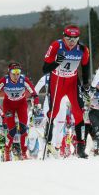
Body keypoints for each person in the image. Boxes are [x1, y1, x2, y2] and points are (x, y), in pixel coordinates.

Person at [42, 25, 90, 158]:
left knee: (79, 113)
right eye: (69, 38)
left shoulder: (83, 49)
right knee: (54, 111)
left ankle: (81, 147)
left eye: (75, 39)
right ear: (64, 37)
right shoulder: (56, 46)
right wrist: (56, 62)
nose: (72, 41)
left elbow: (85, 67)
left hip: (72, 82)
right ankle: (49, 138)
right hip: (57, 80)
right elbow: (45, 69)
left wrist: (86, 84)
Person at [0, 62, 39, 161]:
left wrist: (36, 104)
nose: (16, 76)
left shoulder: (23, 80)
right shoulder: (4, 81)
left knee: (23, 129)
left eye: (18, 74)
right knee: (12, 131)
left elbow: (34, 94)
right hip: (8, 105)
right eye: (13, 74)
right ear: (9, 73)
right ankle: (7, 151)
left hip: (21, 104)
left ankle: (23, 152)